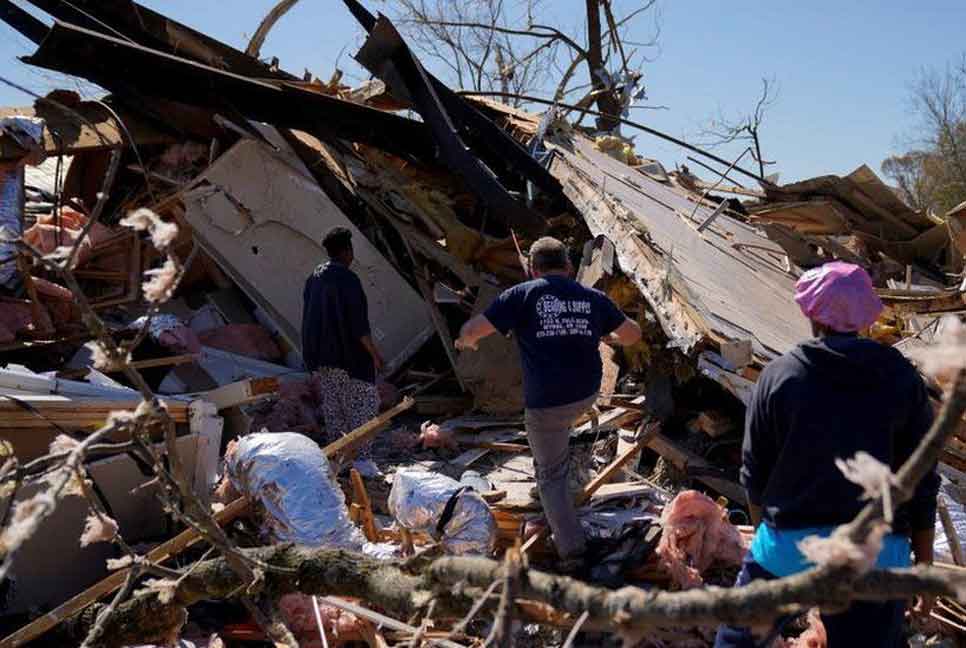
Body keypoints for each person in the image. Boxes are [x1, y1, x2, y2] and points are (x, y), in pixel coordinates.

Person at [715, 261, 939, 647]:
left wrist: (770, 540)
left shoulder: (780, 375)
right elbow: (922, 480)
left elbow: (754, 475)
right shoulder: (902, 378)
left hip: (789, 547)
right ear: (868, 317)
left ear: (810, 315)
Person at [455, 236, 642, 567]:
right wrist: (602, 333)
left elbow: (473, 330)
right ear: (569, 267)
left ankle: (573, 551)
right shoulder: (592, 297)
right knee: (559, 438)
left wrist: (464, 342)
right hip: (587, 394)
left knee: (550, 475)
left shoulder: (521, 295)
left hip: (549, 405)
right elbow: (632, 335)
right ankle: (561, 467)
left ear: (531, 268)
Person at [302, 227, 385, 477]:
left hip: (323, 360)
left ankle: (341, 460)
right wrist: (376, 356)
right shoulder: (348, 280)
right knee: (363, 408)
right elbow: (358, 326)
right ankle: (362, 462)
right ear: (347, 251)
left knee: (335, 409)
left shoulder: (314, 278)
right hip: (350, 360)